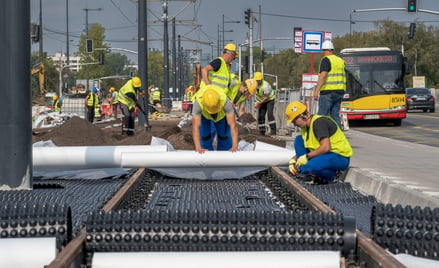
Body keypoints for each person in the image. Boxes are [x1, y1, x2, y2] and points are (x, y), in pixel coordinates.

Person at [285, 101, 353, 184]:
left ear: (303, 116)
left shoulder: (319, 123)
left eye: (294, 121)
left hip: (339, 156)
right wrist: (293, 160)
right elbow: (309, 147)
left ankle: (333, 175)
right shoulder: (305, 129)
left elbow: (325, 147)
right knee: (299, 140)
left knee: (312, 166)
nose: (294, 125)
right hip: (325, 155)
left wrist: (307, 157)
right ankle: (303, 170)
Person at [192, 85, 238, 154]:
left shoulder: (224, 100)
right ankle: (207, 160)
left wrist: (235, 145)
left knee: (224, 138)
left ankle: (224, 159)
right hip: (205, 116)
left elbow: (233, 125)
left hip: (221, 116)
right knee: (204, 139)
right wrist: (198, 147)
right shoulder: (198, 102)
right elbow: (195, 127)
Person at [313, 40, 346, 129]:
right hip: (340, 91)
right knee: (335, 115)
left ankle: (320, 136)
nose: (322, 53)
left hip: (328, 92)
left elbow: (323, 76)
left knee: (321, 116)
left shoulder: (326, 60)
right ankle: (338, 136)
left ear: (325, 50)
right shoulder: (340, 60)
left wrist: (316, 91)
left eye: (322, 51)